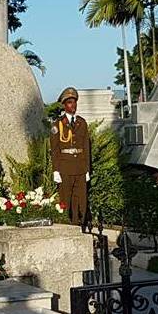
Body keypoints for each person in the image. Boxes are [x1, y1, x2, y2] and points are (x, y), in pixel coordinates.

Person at [51, 87, 91, 227]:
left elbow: (86, 147)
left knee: (81, 200)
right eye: (69, 103)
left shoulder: (82, 123)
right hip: (65, 167)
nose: (72, 105)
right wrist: (56, 170)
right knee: (66, 200)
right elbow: (55, 149)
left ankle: (81, 226)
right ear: (64, 105)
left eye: (74, 102)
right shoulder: (57, 125)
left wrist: (87, 169)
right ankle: (67, 226)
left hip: (80, 167)